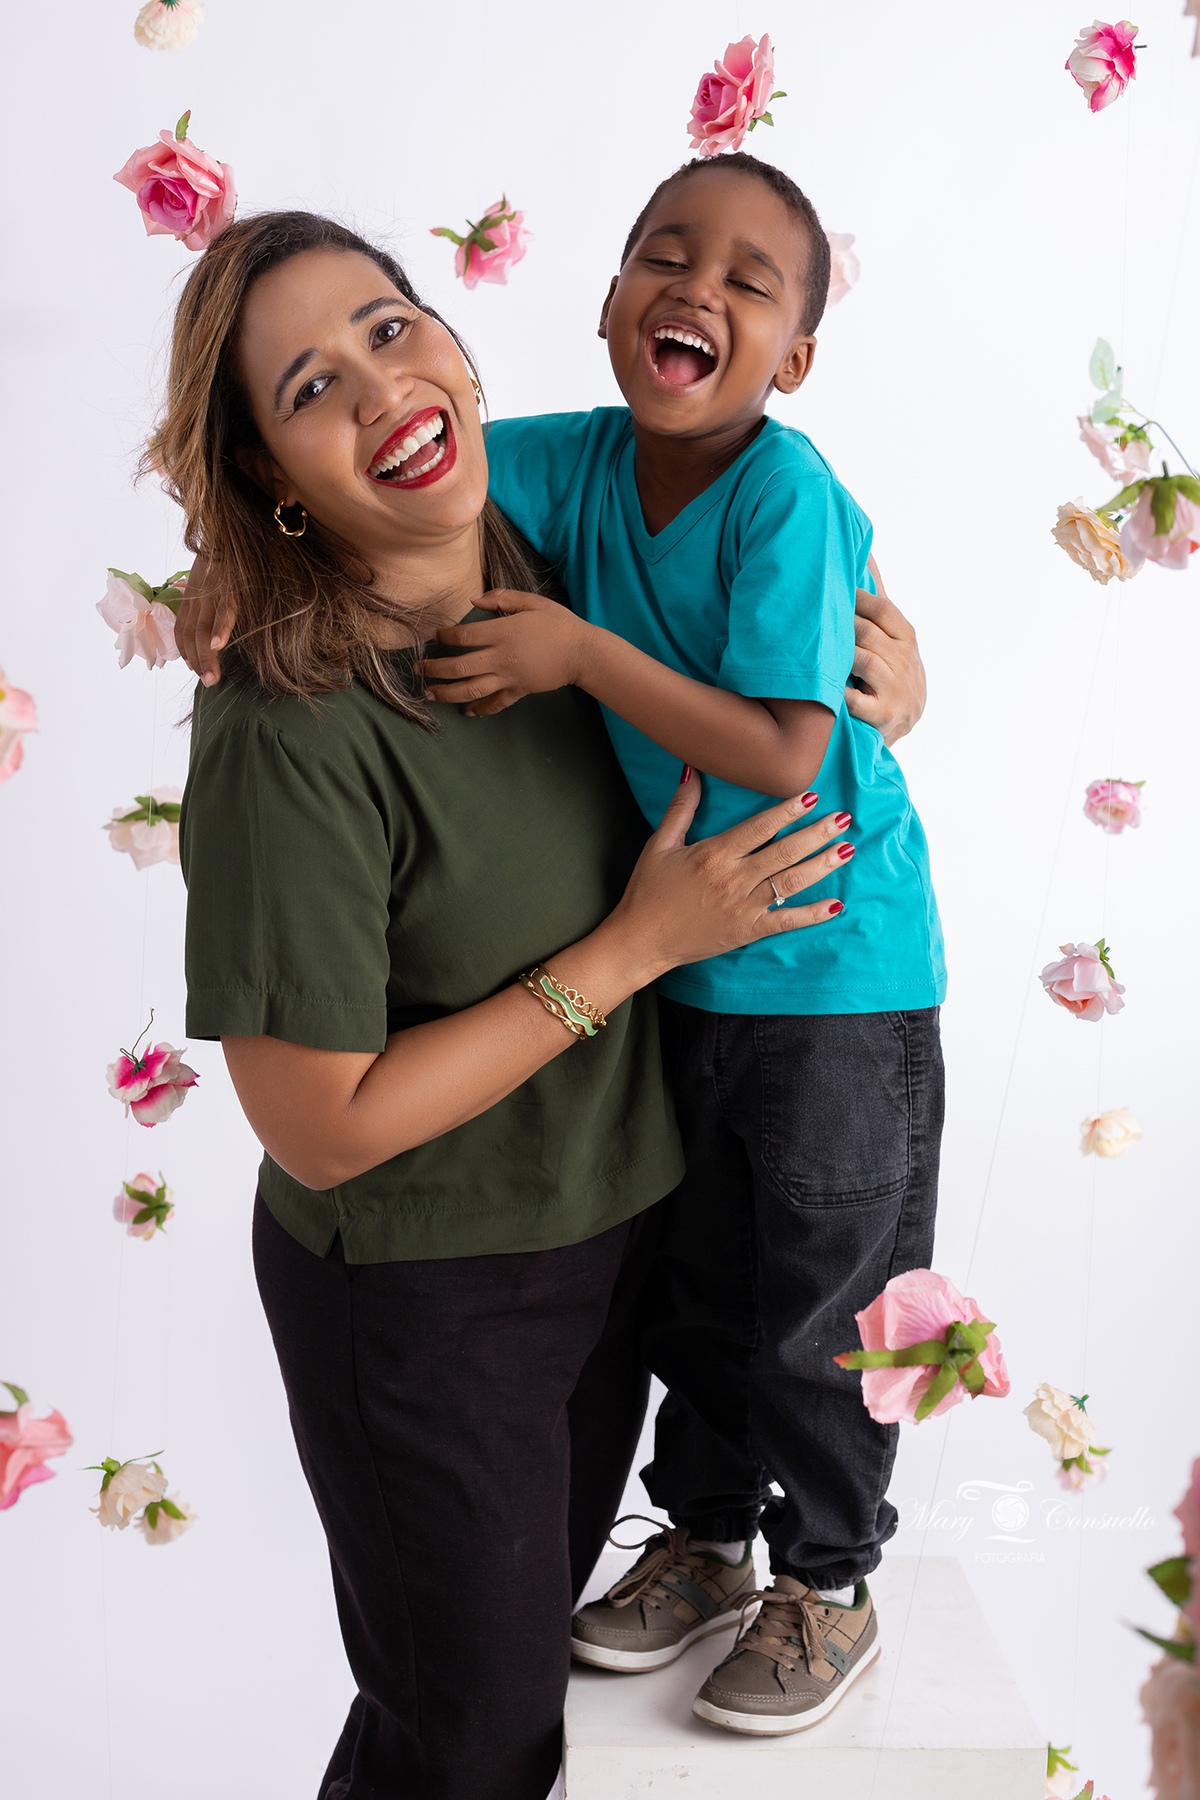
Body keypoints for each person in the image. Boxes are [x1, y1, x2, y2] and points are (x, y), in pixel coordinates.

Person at [161, 208, 852, 1800]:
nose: (381, 391)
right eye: (311, 388)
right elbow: (322, 1129)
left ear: (459, 350)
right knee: (472, 1748)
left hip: (616, 1237)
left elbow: (783, 623)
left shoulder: (561, 566)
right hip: (429, 1303)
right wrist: (631, 950)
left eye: (390, 328)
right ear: (271, 472)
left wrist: (890, 661)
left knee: (500, 1710)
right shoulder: (289, 729)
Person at [398, 151, 947, 1737]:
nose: (694, 286)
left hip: (833, 968)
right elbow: (419, 493)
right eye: (664, 254)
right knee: (694, 1281)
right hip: (682, 954)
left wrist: (579, 652)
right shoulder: (572, 463)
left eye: (747, 281)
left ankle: (830, 1580)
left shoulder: (785, 492)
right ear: (609, 301)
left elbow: (786, 748)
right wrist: (249, 564)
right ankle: (706, 1540)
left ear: (795, 359)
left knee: (818, 1302)